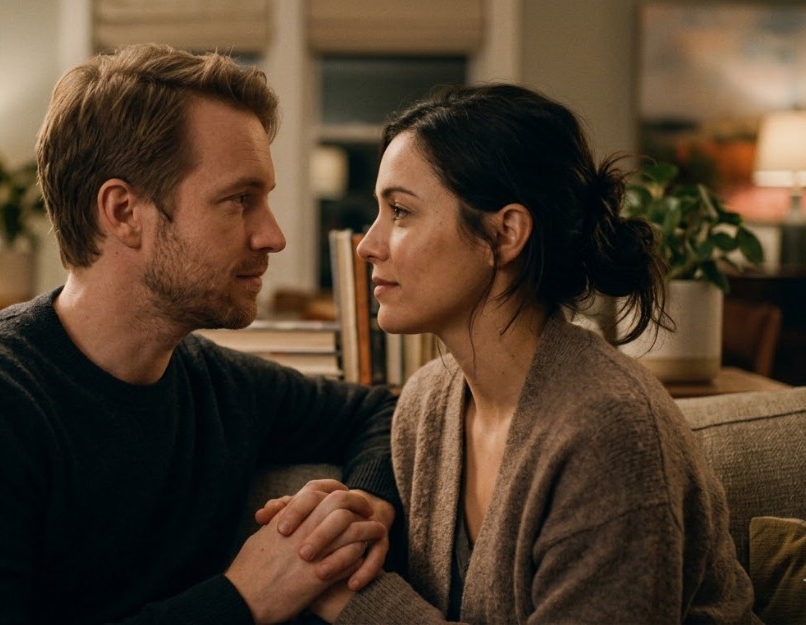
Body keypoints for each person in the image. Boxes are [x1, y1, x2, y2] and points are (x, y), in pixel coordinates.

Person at [0, 44, 398, 625]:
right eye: (239, 201)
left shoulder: (217, 384)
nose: (273, 236)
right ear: (122, 212)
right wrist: (240, 599)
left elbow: (379, 411)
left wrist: (364, 503)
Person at [298, 84, 759, 623]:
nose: (366, 245)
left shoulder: (611, 434)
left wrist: (358, 603)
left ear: (505, 233)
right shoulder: (425, 407)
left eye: (400, 211)